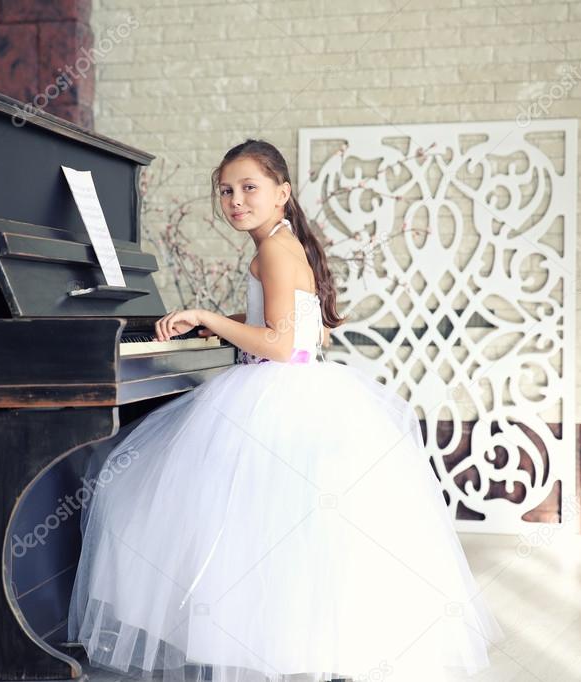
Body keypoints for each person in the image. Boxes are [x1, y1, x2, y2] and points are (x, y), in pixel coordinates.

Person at [68, 139, 504, 681]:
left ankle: (251, 649)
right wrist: (212, 322)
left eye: (250, 187)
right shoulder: (287, 242)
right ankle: (285, 649)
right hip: (304, 390)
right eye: (226, 190)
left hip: (277, 394)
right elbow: (307, 330)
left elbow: (281, 345)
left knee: (140, 492)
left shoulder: (274, 249)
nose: (235, 200)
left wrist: (207, 314)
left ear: (283, 192)